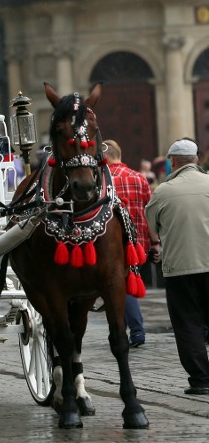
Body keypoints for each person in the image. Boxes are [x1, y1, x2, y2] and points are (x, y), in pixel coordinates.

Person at [145, 138, 209, 395]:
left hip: (181, 268)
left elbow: (153, 226)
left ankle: (201, 380)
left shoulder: (163, 191)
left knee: (188, 325)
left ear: (172, 162)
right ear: (196, 159)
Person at [103, 140, 151, 348]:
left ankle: (124, 330)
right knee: (129, 283)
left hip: (110, 244)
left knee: (116, 288)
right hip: (137, 244)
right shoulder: (139, 178)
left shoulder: (104, 180)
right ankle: (136, 331)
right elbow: (149, 210)